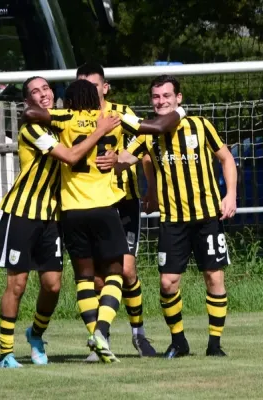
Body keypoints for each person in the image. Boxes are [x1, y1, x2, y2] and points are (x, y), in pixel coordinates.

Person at [24, 79, 184, 363]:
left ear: (71, 101)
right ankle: (102, 330)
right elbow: (156, 127)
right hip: (105, 207)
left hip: (72, 210)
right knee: (114, 274)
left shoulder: (65, 118)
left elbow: (33, 114)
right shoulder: (113, 118)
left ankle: (96, 340)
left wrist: (50, 112)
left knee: (84, 277)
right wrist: (181, 113)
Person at [0, 76, 121, 369]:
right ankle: (5, 353)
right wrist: (100, 131)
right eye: (35, 91)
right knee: (18, 284)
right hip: (23, 213)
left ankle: (35, 335)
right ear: (28, 100)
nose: (43, 94)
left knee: (52, 285)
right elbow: (72, 156)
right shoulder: (33, 129)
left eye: (46, 88)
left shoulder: (66, 122)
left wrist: (115, 157)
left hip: (53, 216)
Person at [117, 75, 237, 358]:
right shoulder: (147, 135)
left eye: (166, 96)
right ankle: (179, 341)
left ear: (178, 98)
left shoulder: (200, 125)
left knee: (214, 277)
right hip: (172, 219)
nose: (161, 101)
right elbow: (123, 160)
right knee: (168, 282)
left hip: (207, 216)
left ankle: (215, 344)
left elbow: (226, 158)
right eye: (156, 97)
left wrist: (230, 194)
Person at [76, 62, 157, 359]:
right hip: (86, 203)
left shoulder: (121, 112)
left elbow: (144, 139)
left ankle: (139, 334)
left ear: (105, 87)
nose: (88, 92)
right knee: (97, 277)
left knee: (126, 269)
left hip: (122, 199)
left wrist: (125, 159)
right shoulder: (72, 117)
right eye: (82, 86)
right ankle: (99, 339)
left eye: (93, 86)